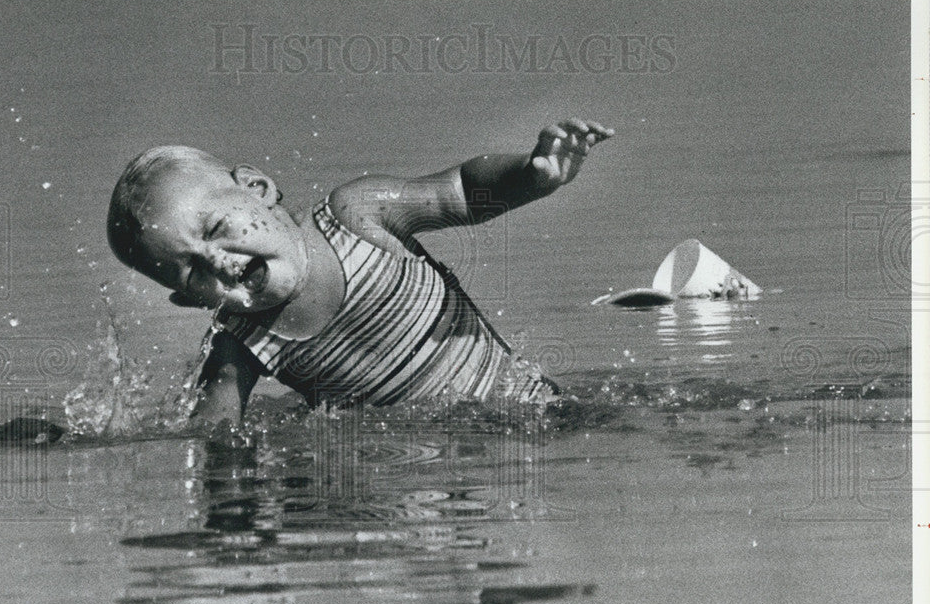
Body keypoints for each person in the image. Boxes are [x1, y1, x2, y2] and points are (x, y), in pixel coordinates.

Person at [107, 118, 613, 420]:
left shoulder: (358, 216)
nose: (218, 262)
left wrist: (529, 177)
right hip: (408, 480)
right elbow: (214, 435)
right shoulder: (239, 344)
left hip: (535, 412)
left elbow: (458, 189)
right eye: (193, 273)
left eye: (218, 226)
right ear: (194, 301)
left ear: (256, 188)